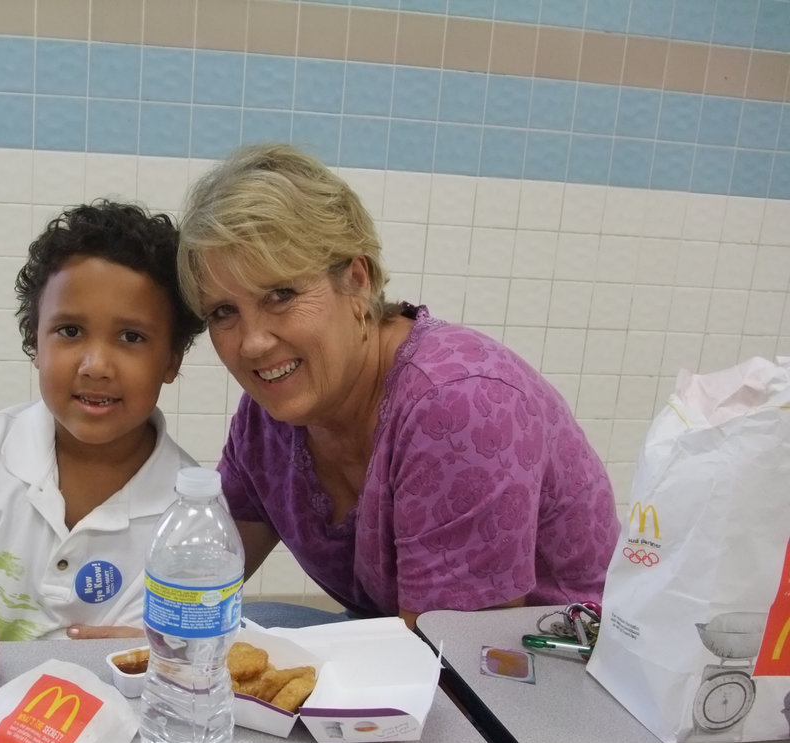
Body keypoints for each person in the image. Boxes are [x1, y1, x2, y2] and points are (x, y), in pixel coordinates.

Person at [176, 144, 620, 630]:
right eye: (223, 312)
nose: (254, 343)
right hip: (403, 641)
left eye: (281, 295)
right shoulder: (269, 421)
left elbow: (451, 657)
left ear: (357, 281)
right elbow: (197, 584)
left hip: (542, 671)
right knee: (231, 631)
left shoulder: (458, 404)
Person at [0, 200, 204, 642]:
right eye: (70, 331)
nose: (96, 365)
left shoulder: (190, 513)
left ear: (172, 360)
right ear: (35, 343)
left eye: (131, 337)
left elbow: (175, 665)